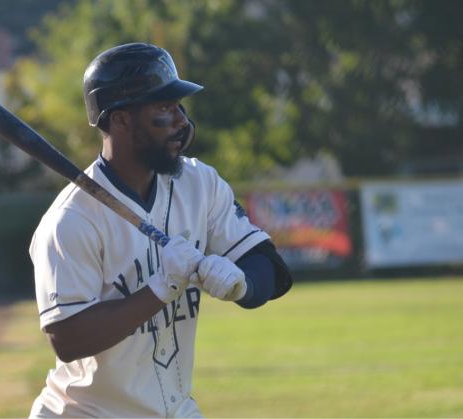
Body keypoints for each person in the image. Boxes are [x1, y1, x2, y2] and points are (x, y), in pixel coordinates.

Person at [28, 43, 292, 418]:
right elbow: (68, 339)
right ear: (120, 120)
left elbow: (271, 268)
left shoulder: (199, 183)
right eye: (164, 109)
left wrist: (241, 283)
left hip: (175, 409)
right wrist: (160, 288)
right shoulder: (71, 220)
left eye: (179, 107)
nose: (181, 122)